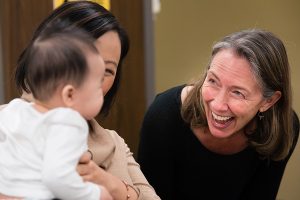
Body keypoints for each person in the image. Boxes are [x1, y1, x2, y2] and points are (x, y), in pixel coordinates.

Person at [3, 1, 160, 200]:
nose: (97, 78)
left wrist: (111, 185)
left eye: (108, 70)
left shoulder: (113, 143)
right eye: (84, 64)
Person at [137, 29, 299, 200]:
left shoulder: (283, 129)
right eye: (213, 81)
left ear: (269, 101)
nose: (218, 105)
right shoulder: (163, 116)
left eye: (237, 92)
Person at [0, 22, 112, 200]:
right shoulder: (68, 121)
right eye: (97, 86)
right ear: (69, 94)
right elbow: (58, 178)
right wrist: (97, 194)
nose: (103, 92)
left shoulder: (15, 109)